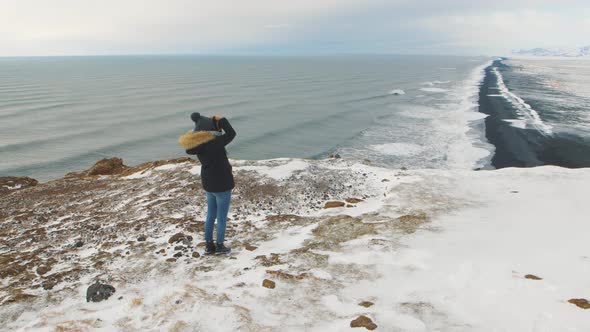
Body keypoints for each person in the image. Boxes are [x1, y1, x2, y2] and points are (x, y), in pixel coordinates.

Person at [178, 112, 236, 255]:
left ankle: (209, 246)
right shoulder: (216, 142)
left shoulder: (197, 145)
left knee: (210, 215)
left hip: (209, 184)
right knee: (221, 218)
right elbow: (231, 133)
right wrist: (221, 120)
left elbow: (189, 148)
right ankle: (220, 246)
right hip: (222, 184)